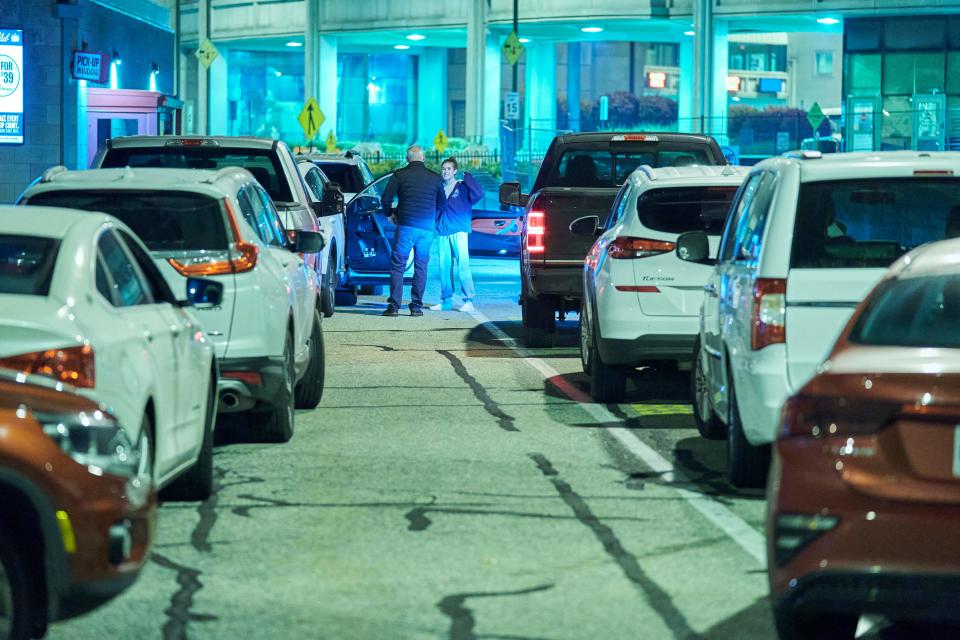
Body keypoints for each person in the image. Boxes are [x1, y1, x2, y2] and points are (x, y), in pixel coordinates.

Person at [380, 145, 446, 317]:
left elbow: (386, 198)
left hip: (406, 227)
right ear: (423, 158)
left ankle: (394, 307)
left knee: (398, 266)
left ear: (407, 159)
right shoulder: (435, 178)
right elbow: (442, 204)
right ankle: (416, 307)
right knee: (421, 266)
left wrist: (390, 214)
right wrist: (433, 218)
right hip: (426, 229)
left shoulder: (400, 175)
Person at [431, 158, 483, 312]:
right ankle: (446, 301)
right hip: (442, 231)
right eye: (443, 169)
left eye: (448, 169)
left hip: (459, 231)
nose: (445, 171)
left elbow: (479, 193)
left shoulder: (463, 187)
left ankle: (468, 301)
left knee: (463, 266)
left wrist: (468, 177)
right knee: (444, 267)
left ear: (454, 171)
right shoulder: (439, 188)